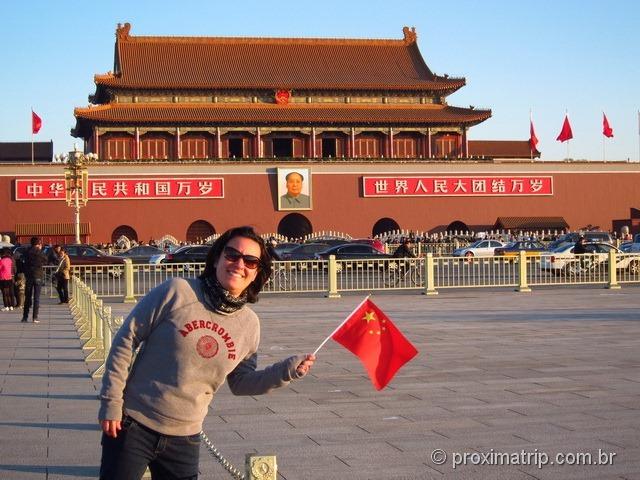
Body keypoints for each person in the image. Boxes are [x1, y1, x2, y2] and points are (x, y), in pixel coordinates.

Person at [98, 226, 316, 480]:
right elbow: (127, 339)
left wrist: (287, 370)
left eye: (250, 261)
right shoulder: (177, 292)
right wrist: (111, 403)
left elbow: (242, 382)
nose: (239, 264)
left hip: (185, 437)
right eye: (232, 255)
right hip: (133, 426)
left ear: (257, 273)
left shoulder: (249, 324)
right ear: (216, 259)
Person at [21, 237, 47, 323]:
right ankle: (35, 317)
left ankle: (25, 317)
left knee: (27, 297)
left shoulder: (27, 251)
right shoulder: (39, 252)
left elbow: (22, 260)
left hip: (29, 276)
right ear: (38, 243)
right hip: (38, 275)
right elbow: (45, 260)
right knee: (36, 297)